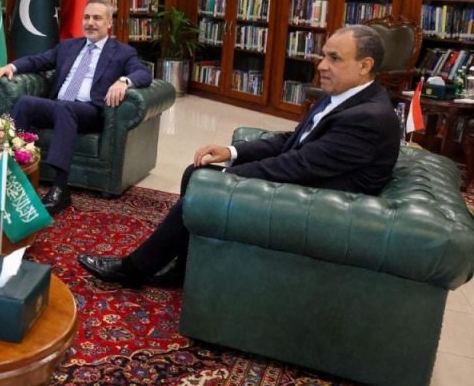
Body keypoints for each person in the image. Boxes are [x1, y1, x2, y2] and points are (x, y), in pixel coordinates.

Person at [78, 24, 401, 288]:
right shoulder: (344, 97)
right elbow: (294, 141)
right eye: (323, 56)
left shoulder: (366, 118)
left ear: (365, 65)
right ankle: (184, 267)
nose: (322, 66)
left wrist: (229, 177)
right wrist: (232, 152)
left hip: (319, 208)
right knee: (197, 172)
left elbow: (298, 164)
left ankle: (135, 269)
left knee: (205, 182)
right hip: (311, 185)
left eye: (334, 58)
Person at [0, 0, 152, 214]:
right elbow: (38, 61)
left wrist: (124, 81)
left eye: (97, 18)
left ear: (109, 23)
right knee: (25, 103)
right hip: (59, 106)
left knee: (66, 108)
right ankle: (4, 178)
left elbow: (143, 73)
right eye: (86, 17)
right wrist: (11, 66)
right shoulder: (68, 46)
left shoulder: (122, 52)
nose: (90, 22)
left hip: (90, 111)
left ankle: (60, 187)